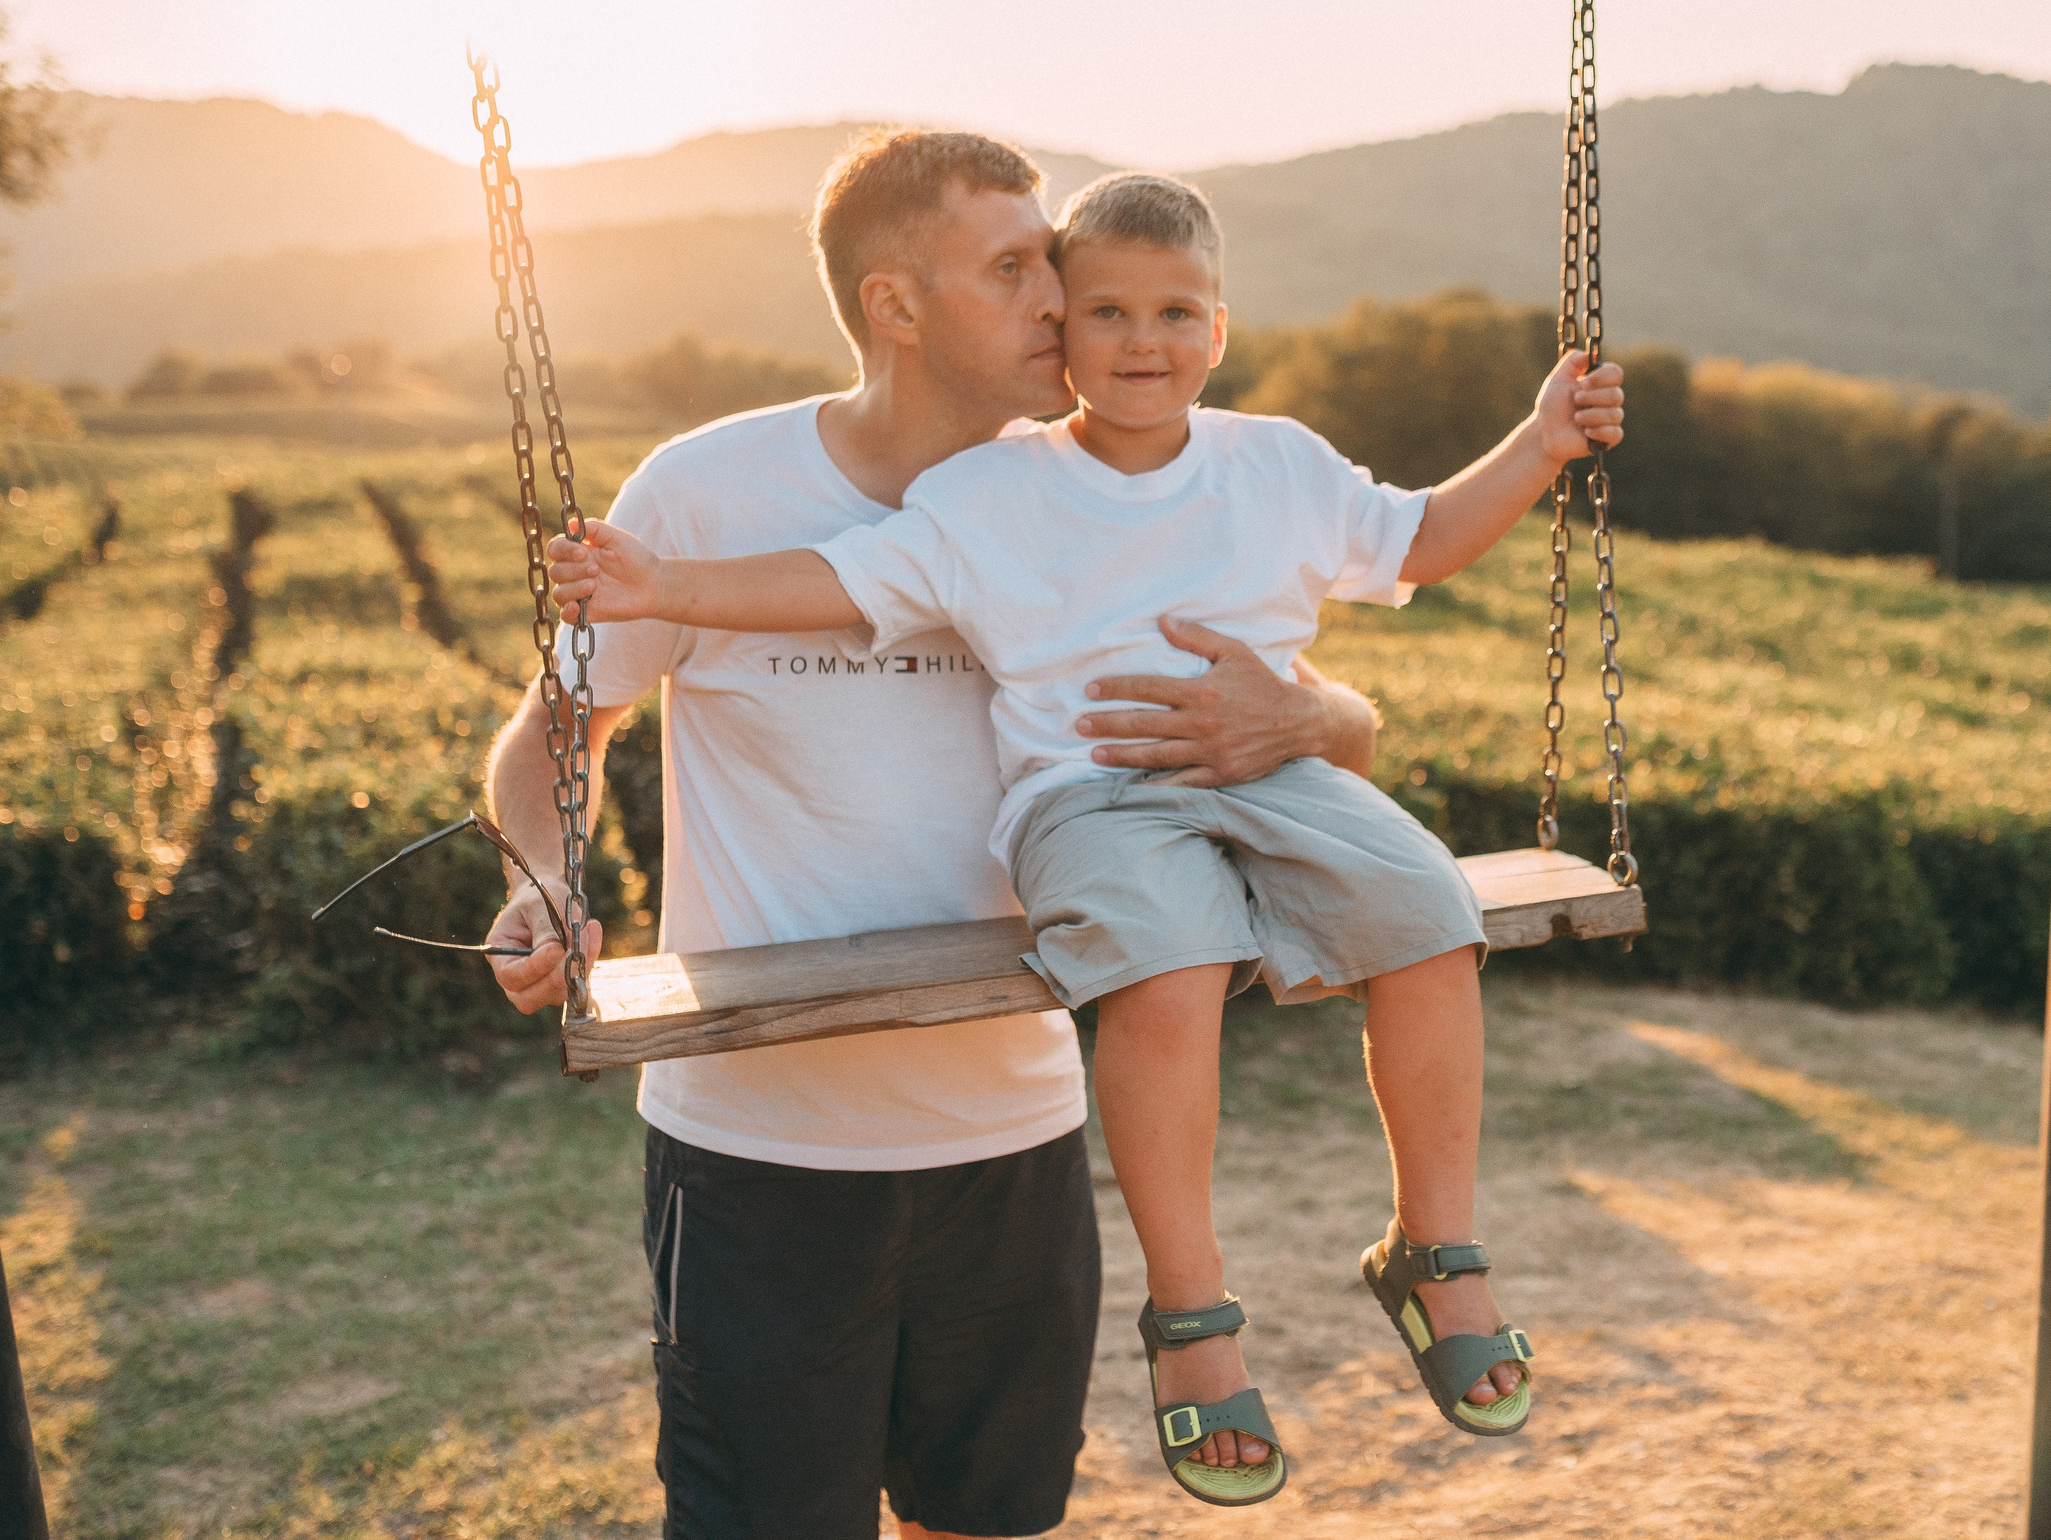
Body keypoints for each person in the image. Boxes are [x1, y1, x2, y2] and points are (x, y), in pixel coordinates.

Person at [544, 172, 1625, 1507]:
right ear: (895, 303)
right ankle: (1197, 1313)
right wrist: (657, 606)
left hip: (1030, 1110)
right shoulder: (899, 491)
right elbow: (760, 623)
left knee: (1429, 910)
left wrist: (1521, 464)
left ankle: (1436, 1245)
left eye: (1162, 308)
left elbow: (1408, 555)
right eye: (1036, 277)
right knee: (774, 1516)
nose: (1080, 314)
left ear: (1218, 332)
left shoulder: (1262, 462)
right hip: (784, 1135)